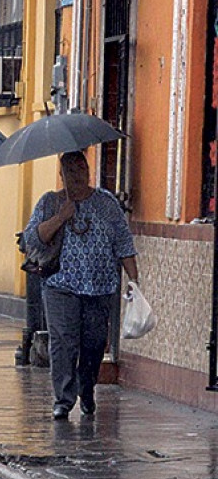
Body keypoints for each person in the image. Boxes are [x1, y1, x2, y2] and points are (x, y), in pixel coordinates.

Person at [24, 150, 138, 421]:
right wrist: (61, 217)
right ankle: (63, 399)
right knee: (63, 342)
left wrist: (134, 279)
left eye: (82, 169)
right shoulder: (50, 202)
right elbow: (33, 239)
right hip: (60, 286)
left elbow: (123, 242)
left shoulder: (106, 203)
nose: (78, 176)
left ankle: (87, 389)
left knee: (95, 343)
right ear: (61, 175)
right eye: (71, 171)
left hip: (100, 288)